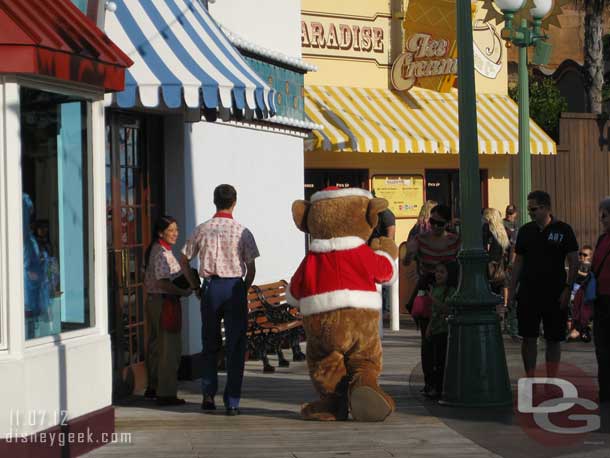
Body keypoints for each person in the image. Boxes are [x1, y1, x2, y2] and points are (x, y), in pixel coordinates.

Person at [180, 184, 259, 416]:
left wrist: (195, 285)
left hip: (211, 287)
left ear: (214, 201)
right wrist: (243, 287)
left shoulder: (202, 229)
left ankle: (207, 395)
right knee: (236, 345)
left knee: (209, 344)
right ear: (234, 202)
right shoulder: (242, 230)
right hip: (234, 286)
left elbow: (184, 259)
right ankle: (232, 401)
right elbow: (251, 266)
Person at [508, 190, 579, 379]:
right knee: (528, 337)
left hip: (555, 293)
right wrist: (512, 290)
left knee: (553, 339)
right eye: (529, 209)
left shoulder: (563, 230)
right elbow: (518, 263)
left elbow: (574, 261)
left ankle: (551, 379)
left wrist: (568, 288)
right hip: (529, 293)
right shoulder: (525, 231)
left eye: (534, 209)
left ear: (547, 208)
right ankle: (530, 377)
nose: (530, 213)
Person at [404, 204, 460, 395]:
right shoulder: (420, 239)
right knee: (428, 338)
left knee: (447, 339)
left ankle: (444, 380)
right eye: (432, 222)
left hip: (449, 290)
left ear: (447, 224)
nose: (435, 226)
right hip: (428, 288)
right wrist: (410, 253)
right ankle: (430, 383)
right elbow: (406, 260)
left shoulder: (455, 241)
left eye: (440, 223)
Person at [143, 215, 192, 406]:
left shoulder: (155, 250)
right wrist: (183, 291)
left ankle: (154, 386)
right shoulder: (161, 252)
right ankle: (167, 392)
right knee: (169, 349)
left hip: (154, 301)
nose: (175, 233)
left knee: (156, 346)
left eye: (176, 230)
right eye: (170, 230)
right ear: (160, 232)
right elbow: (163, 282)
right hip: (164, 302)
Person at [424, 261, 458, 400]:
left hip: (445, 330)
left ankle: (439, 388)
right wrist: (429, 327)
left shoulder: (449, 290)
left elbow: (447, 308)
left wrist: (432, 298)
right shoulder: (436, 288)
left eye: (442, 272)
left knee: (441, 361)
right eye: (437, 271)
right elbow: (433, 313)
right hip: (436, 329)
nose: (438, 274)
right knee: (434, 360)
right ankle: (434, 386)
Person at [592, 197, 610, 404]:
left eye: (604, 215)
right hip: (602, 300)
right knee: (602, 349)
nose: (601, 219)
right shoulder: (602, 240)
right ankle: (605, 391)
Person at [481, 208, 511, 295]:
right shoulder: (503, 230)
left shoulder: (486, 228)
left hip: (489, 264)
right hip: (500, 265)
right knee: (498, 290)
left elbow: (485, 246)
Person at [568, 245, 594, 341]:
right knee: (573, 310)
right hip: (575, 290)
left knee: (579, 311)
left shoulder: (588, 266)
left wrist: (578, 272)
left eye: (585, 254)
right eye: (581, 254)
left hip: (581, 291)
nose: (582, 256)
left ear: (589, 256)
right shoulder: (580, 264)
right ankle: (575, 330)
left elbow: (585, 276)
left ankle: (579, 331)